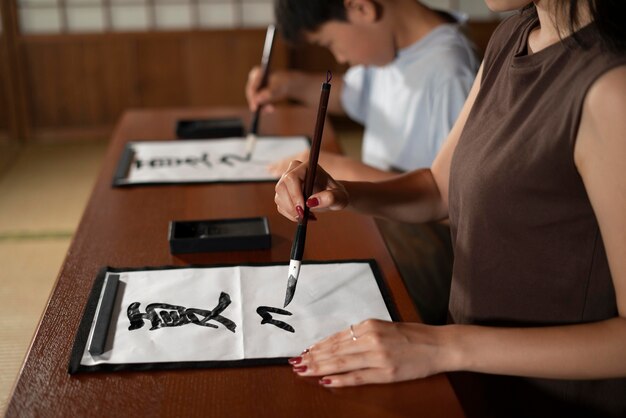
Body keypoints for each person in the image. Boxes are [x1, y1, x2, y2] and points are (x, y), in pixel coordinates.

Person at [274, 1, 626, 417]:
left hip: (554, 399)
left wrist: (441, 344)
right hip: (468, 377)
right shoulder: (513, 35)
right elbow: (440, 188)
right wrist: (343, 193)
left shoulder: (610, 86)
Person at [247, 0, 479, 325]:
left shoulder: (451, 72)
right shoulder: (392, 46)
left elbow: (454, 206)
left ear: (361, 8)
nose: (340, 58)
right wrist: (287, 84)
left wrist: (345, 169)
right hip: (380, 219)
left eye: (329, 43)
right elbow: (351, 96)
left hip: (426, 247)